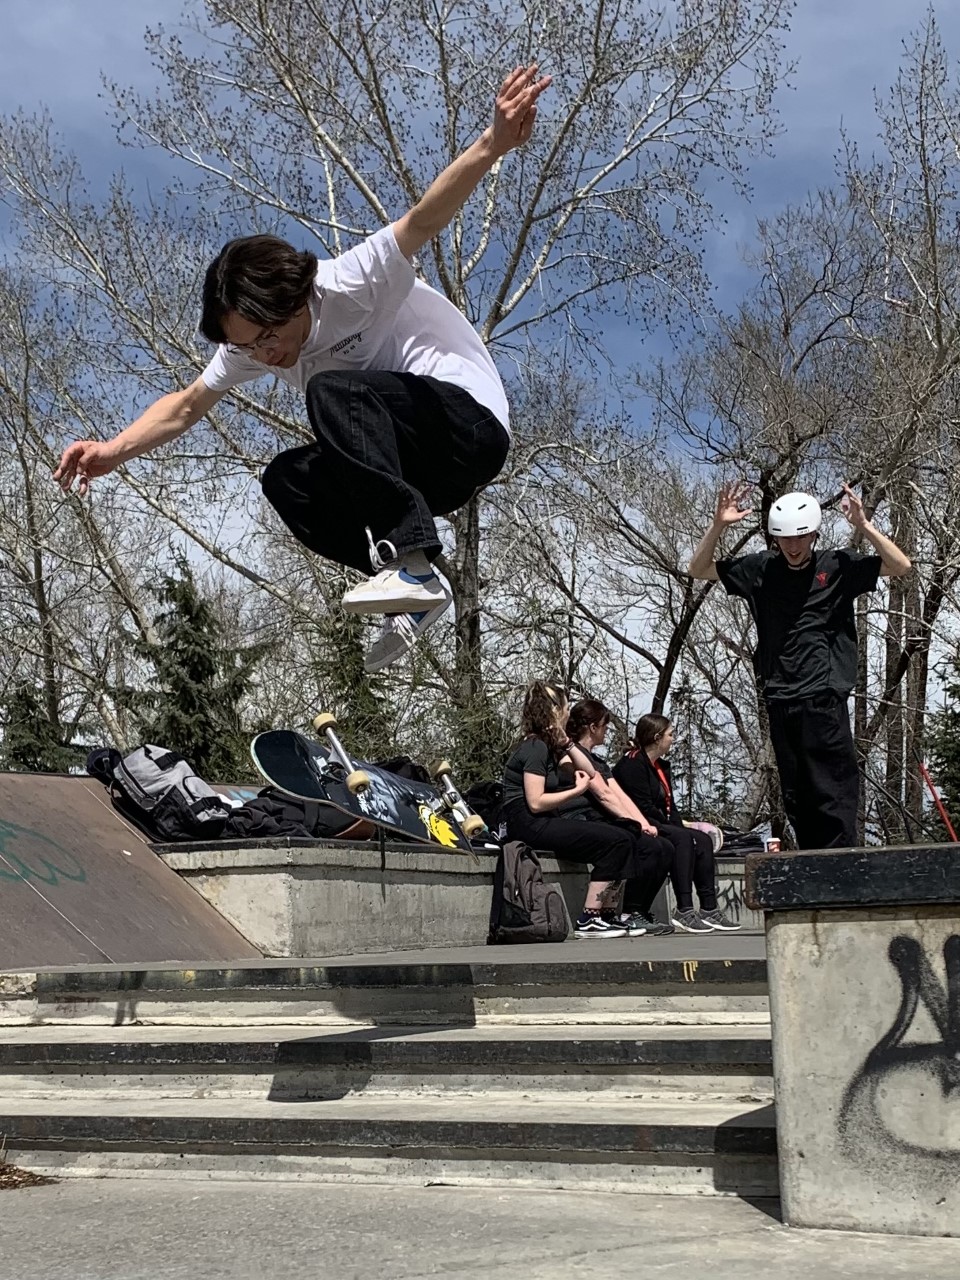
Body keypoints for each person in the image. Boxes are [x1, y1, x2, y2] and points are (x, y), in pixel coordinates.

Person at [53, 65, 551, 674]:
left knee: (331, 392)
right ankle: (409, 581)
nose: (265, 356)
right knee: (286, 478)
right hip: (421, 473)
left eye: (269, 337)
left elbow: (424, 219)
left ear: (297, 297)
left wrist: (492, 144)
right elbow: (186, 406)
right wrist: (113, 451)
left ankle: (413, 559)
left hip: (467, 428)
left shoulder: (350, 282)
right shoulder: (246, 347)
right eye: (250, 348)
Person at [687, 482, 912, 849]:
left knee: (832, 788)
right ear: (774, 539)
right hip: (779, 695)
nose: (792, 547)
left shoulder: (837, 565)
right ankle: (810, 862)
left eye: (800, 537)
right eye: (784, 539)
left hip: (822, 694)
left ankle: (841, 863)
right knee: (796, 791)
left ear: (814, 534)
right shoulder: (760, 568)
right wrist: (718, 526)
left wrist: (864, 526)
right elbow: (698, 570)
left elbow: (901, 565)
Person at [501, 682, 673, 940]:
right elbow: (535, 802)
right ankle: (590, 917)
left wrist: (566, 742)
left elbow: (590, 771)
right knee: (614, 841)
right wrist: (575, 791)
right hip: (529, 823)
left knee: (627, 834)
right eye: (566, 707)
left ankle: (607, 913)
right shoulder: (535, 748)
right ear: (556, 711)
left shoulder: (551, 746)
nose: (568, 713)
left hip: (543, 820)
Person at [614, 714, 739, 932]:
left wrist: (681, 825)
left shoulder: (661, 766)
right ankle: (684, 908)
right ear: (656, 737)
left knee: (701, 839)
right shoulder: (632, 764)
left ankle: (709, 908)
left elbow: (669, 805)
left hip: (658, 820)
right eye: (670, 734)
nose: (673, 739)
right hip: (638, 821)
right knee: (681, 838)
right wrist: (674, 828)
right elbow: (643, 806)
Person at [565, 698, 674, 936]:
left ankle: (614, 913)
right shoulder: (574, 756)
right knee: (634, 842)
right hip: (580, 820)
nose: (607, 731)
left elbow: (620, 795)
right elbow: (603, 794)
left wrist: (642, 824)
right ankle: (617, 913)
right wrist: (636, 826)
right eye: (605, 726)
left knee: (661, 846)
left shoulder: (600, 761)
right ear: (593, 727)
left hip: (600, 820)